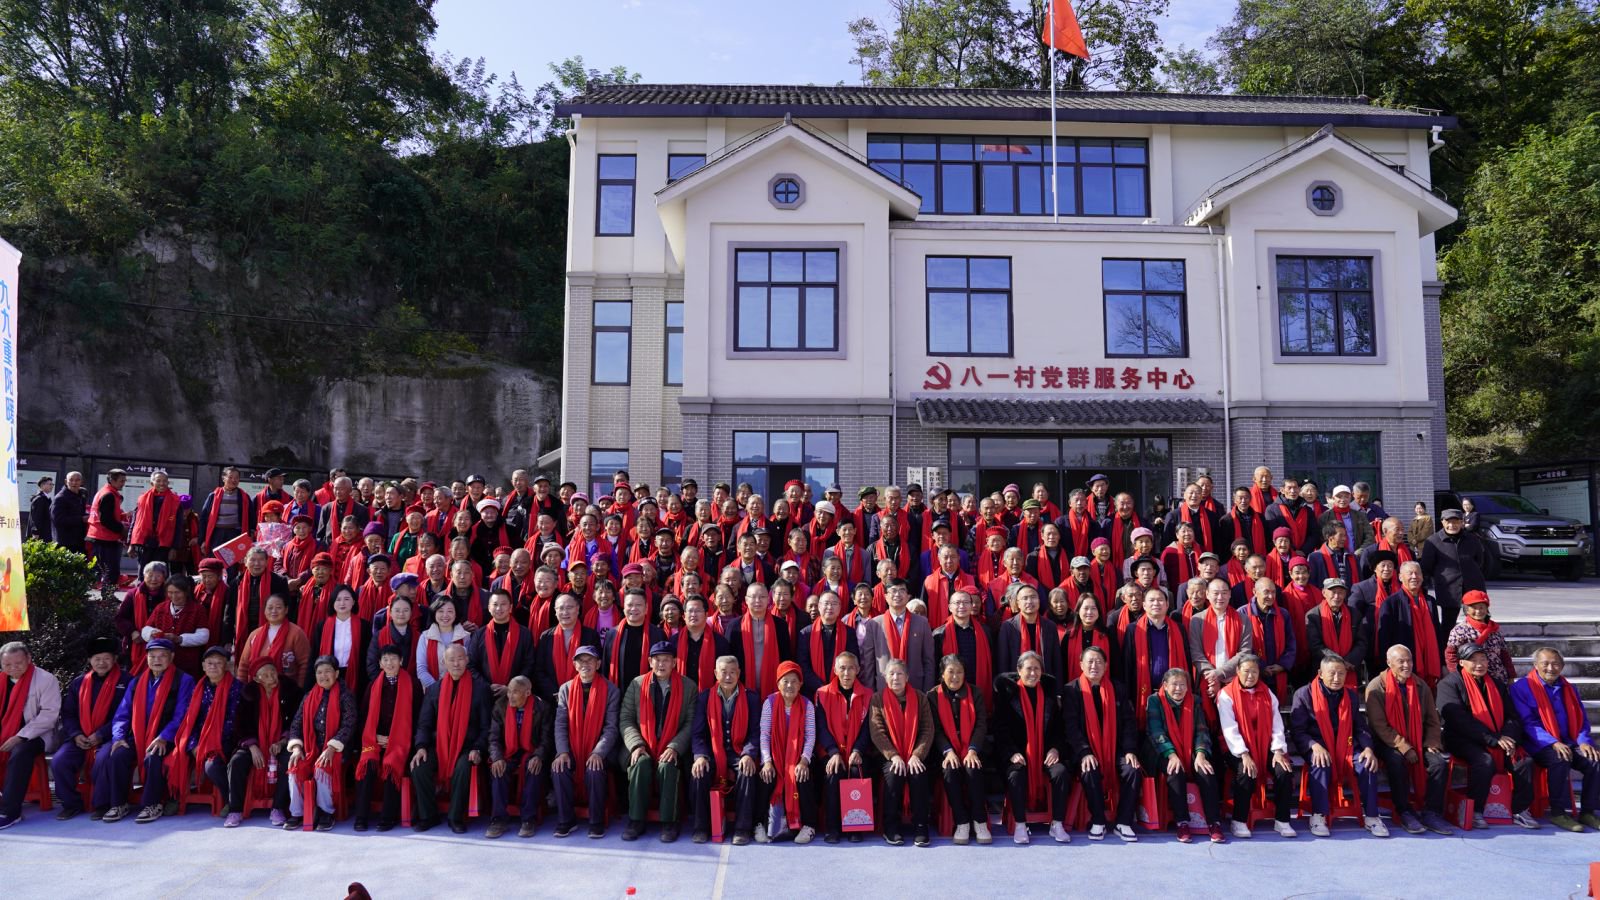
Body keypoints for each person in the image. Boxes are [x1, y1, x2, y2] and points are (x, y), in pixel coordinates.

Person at [1436, 641, 1539, 830]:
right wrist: (1494, 739)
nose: (1479, 664)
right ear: (1461, 663)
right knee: (1484, 761)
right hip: (1462, 738)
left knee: (1523, 761)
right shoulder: (1449, 684)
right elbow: (1459, 721)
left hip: (1499, 737)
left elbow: (1512, 716)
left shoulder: (1496, 684)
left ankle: (1519, 809)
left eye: (1483, 659)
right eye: (1473, 660)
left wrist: (1508, 737)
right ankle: (1476, 810)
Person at [95, 638, 196, 823]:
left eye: (162, 656)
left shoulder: (184, 680)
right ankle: (119, 803)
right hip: (139, 734)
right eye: (152, 656)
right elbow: (122, 714)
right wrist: (118, 737)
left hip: (168, 736)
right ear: (147, 658)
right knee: (118, 754)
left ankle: (152, 804)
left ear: (172, 657)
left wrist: (164, 736)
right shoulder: (137, 681)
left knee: (154, 756)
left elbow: (183, 715)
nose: (157, 660)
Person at [1289, 655, 1387, 838]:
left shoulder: (1350, 695)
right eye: (1332, 673)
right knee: (1320, 762)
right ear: (1320, 673)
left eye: (1341, 673)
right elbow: (1298, 730)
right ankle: (1318, 815)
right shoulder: (1304, 694)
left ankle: (1372, 816)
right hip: (1318, 745)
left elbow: (1360, 727)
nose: (1337, 678)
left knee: (1367, 764)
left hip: (1347, 745)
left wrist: (1368, 748)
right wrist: (1313, 745)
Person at [1364, 645, 1454, 835]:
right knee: (1396, 761)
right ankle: (1404, 811)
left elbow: (1432, 720)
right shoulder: (1376, 687)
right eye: (1401, 661)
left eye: (1409, 660)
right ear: (1389, 663)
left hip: (1418, 739)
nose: (1407, 665)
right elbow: (1380, 726)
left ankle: (1432, 813)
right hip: (1387, 742)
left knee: (1439, 763)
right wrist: (1405, 747)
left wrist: (1431, 743)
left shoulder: (1421, 686)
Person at [1510, 647, 1600, 832]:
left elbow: (1581, 719)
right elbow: (1528, 723)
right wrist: (1552, 742)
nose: (1551, 668)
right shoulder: (1522, 688)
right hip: (1538, 744)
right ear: (1536, 665)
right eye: (1545, 664)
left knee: (1595, 761)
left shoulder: (1569, 688)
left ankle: (1588, 811)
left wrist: (1583, 741)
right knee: (1560, 758)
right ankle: (1558, 812)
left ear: (1563, 666)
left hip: (1570, 741)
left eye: (1556, 664)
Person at [618, 641, 696, 841]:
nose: (661, 664)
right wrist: (636, 745)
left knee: (668, 765)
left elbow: (691, 723)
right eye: (657, 660)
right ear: (650, 661)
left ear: (675, 663)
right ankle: (636, 820)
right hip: (642, 743)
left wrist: (675, 747)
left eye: (666, 660)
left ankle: (670, 822)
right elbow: (626, 719)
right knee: (640, 763)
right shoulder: (637, 684)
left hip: (672, 744)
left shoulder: (688, 686)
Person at [1064, 645, 1141, 841]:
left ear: (1106, 665)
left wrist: (1130, 750)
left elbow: (1129, 722)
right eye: (1090, 661)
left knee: (1133, 769)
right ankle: (1098, 820)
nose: (1094, 666)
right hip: (1084, 749)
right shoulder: (1071, 690)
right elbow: (1071, 727)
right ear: (1081, 664)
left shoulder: (1118, 688)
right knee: (1089, 769)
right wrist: (1084, 752)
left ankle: (1123, 822)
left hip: (1115, 748)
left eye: (1099, 662)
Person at [410, 644, 489, 834]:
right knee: (420, 767)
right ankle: (429, 815)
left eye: (460, 659)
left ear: (467, 660)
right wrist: (421, 747)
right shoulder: (434, 690)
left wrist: (478, 748)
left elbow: (486, 727)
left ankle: (455, 817)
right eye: (451, 660)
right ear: (443, 662)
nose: (456, 664)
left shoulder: (480, 689)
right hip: (438, 745)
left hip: (467, 747)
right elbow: (424, 724)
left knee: (463, 767)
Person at [48, 637, 129, 822]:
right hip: (81, 736)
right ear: (89, 660)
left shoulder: (127, 681)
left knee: (103, 759)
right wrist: (76, 734)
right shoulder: (79, 683)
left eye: (106, 658)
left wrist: (101, 734)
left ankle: (102, 805)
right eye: (97, 659)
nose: (101, 663)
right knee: (60, 761)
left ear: (115, 659)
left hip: (112, 736)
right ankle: (71, 804)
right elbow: (68, 713)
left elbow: (126, 714)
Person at [1216, 655, 1297, 838]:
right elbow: (1229, 728)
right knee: (1245, 772)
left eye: (1254, 671)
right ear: (1238, 671)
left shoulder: (1268, 693)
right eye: (1246, 671)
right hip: (1236, 747)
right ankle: (1239, 820)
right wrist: (1244, 754)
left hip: (1264, 744)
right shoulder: (1226, 695)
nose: (1250, 676)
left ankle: (1282, 820)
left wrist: (1278, 750)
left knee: (1283, 770)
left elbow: (1277, 724)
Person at [994, 651, 1068, 844]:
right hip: (1017, 753)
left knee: (1060, 772)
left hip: (1045, 752)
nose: (1033, 673)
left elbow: (1059, 729)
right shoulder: (1008, 695)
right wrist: (1012, 753)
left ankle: (1057, 823)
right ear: (1019, 671)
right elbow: (1000, 730)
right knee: (1016, 774)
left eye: (1037, 669)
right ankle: (1020, 823)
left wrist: (1055, 749)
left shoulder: (1049, 694)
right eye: (1028, 669)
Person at [1146, 668, 1225, 843]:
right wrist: (1171, 754)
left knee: (1206, 771)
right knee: (1175, 772)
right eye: (1174, 684)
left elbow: (1202, 730)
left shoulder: (1195, 701)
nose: (1178, 689)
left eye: (1182, 685)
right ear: (1165, 685)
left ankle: (1214, 822)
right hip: (1163, 751)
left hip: (1190, 748)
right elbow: (1156, 732)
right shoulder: (1154, 701)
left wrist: (1201, 754)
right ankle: (1182, 823)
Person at [163, 645, 240, 819]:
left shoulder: (236, 688)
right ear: (203, 666)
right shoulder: (197, 688)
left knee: (212, 766)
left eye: (218, 663)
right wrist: (193, 744)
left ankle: (231, 800)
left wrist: (208, 745)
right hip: (198, 741)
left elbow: (233, 723)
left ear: (227, 666)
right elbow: (189, 721)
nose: (213, 666)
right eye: (210, 663)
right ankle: (175, 797)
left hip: (225, 741)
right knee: (171, 758)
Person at [690, 655, 761, 844]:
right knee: (699, 772)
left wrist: (748, 754)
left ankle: (742, 829)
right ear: (715, 673)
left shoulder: (751, 698)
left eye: (732, 672)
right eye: (723, 672)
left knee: (747, 771)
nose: (728, 677)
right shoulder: (705, 697)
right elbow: (698, 733)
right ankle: (701, 827)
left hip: (739, 752)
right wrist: (700, 756)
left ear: (739, 673)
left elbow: (755, 732)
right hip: (713, 752)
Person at [552, 644, 619, 838]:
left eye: (590, 660)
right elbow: (560, 724)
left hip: (599, 748)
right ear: (574, 665)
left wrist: (598, 752)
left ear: (598, 664)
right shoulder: (565, 689)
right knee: (559, 767)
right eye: (580, 661)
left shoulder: (611, 690)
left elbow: (611, 728)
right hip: (572, 747)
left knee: (594, 768)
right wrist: (562, 752)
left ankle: (596, 822)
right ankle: (566, 820)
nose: (585, 664)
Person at [351, 643, 420, 832]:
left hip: (401, 742)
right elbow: (364, 716)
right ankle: (361, 817)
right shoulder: (373, 685)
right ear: (380, 663)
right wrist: (374, 737)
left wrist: (397, 738)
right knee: (367, 765)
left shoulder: (412, 684)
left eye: (394, 659)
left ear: (401, 661)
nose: (390, 663)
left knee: (391, 767)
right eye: (386, 659)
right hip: (374, 740)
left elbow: (417, 717)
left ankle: (388, 817)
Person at [223, 658, 300, 827]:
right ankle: (235, 810)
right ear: (257, 679)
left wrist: (282, 742)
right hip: (254, 743)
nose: (271, 677)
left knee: (289, 760)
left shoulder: (291, 690)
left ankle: (278, 808)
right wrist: (252, 746)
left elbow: (297, 720)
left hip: (283, 742)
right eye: (265, 675)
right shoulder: (248, 694)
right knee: (236, 762)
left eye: (273, 672)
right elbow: (240, 724)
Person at [285, 655, 357, 830]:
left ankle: (326, 812)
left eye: (328, 671)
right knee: (295, 766)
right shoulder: (309, 696)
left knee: (322, 767)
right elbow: (296, 724)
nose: (323, 676)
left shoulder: (345, 696)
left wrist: (332, 747)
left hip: (338, 748)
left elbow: (349, 725)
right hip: (311, 748)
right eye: (319, 672)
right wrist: (296, 747)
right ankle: (297, 812)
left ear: (336, 673)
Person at [866, 657, 930, 846]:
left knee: (918, 773)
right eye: (891, 674)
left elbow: (927, 730)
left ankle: (921, 826)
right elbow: (877, 731)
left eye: (900, 673)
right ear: (885, 678)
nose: (896, 678)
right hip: (887, 755)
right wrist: (893, 755)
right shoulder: (877, 699)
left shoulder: (920, 698)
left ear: (907, 677)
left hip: (914, 754)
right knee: (894, 774)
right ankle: (891, 827)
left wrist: (916, 755)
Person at [813, 651, 874, 844]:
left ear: (858, 670)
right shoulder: (822, 694)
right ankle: (832, 828)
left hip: (858, 750)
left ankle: (855, 826)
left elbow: (868, 729)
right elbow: (821, 727)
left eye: (851, 668)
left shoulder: (868, 695)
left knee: (856, 771)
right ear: (835, 670)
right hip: (831, 750)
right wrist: (833, 752)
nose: (846, 673)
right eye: (842, 668)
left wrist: (857, 750)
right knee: (833, 773)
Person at [928, 654, 989, 845]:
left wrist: (972, 750)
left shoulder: (975, 693)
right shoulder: (932, 696)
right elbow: (935, 729)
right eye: (951, 672)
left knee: (973, 768)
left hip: (972, 748)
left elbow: (981, 725)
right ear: (942, 674)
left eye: (960, 672)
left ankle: (979, 821)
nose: (955, 677)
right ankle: (962, 821)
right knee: (950, 770)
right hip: (945, 751)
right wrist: (948, 751)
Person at [0, 642, 62, 829]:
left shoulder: (45, 679)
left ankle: (10, 812)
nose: (13, 668)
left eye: (18, 663)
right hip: (4, 732)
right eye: (7, 665)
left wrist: (20, 736)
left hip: (36, 735)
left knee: (20, 752)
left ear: (29, 658)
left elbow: (49, 715)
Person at [486, 675, 552, 839]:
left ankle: (528, 819)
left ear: (527, 692)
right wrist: (497, 757)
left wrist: (539, 756)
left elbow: (547, 739)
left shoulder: (542, 708)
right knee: (498, 770)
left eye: (515, 692)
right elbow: (493, 738)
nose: (510, 696)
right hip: (509, 752)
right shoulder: (500, 706)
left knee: (534, 768)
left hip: (532, 751)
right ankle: (498, 819)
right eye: (509, 691)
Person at [759, 659, 817, 844]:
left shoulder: (807, 705)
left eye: (794, 681)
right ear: (778, 683)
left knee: (802, 776)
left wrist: (804, 761)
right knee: (766, 776)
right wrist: (767, 761)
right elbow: (764, 735)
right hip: (775, 757)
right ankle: (759, 824)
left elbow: (810, 736)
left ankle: (808, 825)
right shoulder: (769, 703)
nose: (790, 685)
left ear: (800, 684)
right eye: (785, 681)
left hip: (798, 757)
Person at [1420, 509, 1489, 650]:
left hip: (1473, 587)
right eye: (1448, 522)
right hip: (1449, 590)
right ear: (1442, 522)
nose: (1452, 525)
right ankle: (1446, 655)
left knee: (1480, 621)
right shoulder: (1433, 541)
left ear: (1462, 522)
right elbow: (1426, 567)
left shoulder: (1472, 539)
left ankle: (1480, 652)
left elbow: (1480, 561)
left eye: (1456, 522)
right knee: (1448, 624)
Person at [1121, 587, 1187, 727]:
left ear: (1167, 605)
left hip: (1174, 691)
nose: (1156, 603)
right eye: (1151, 600)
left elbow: (1186, 659)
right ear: (1144, 605)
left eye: (1160, 600)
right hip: (1144, 691)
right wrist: (1128, 695)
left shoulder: (1179, 629)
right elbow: (1127, 665)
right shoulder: (1133, 629)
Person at [1376, 562, 1443, 690]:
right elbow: (1384, 639)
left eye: (1417, 573)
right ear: (1400, 577)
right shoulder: (1391, 603)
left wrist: (1442, 663)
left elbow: (1437, 634)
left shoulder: (1430, 601)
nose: (1414, 577)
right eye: (1410, 573)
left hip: (1429, 659)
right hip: (1405, 665)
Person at [467, 588, 536, 696]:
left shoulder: (524, 634)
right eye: (495, 604)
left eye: (503, 604)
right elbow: (471, 665)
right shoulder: (479, 634)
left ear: (510, 607)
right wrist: (487, 686)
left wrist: (511, 686)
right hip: (485, 693)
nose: (499, 608)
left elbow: (529, 664)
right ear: (489, 608)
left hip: (516, 693)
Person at [534, 595, 600, 705]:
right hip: (552, 699)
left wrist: (577, 691)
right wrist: (556, 694)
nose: (565, 612)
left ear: (577, 609)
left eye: (569, 607)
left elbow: (595, 666)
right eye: (560, 608)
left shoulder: (590, 635)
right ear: (555, 611)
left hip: (583, 696)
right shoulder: (546, 637)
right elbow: (539, 669)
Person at [237, 593, 311, 688]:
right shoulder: (255, 635)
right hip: (257, 689)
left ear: (286, 610)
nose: (274, 611)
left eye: (278, 607)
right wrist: (241, 688)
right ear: (264, 611)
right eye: (270, 608)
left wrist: (299, 689)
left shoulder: (296, 633)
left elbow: (305, 664)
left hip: (287, 690)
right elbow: (244, 664)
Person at [1444, 590, 1515, 683]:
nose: (1478, 611)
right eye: (1474, 608)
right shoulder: (1460, 630)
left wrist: (1511, 676)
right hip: (1472, 678)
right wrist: (1457, 676)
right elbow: (1451, 655)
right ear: (1466, 610)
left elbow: (1505, 654)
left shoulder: (1495, 629)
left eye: (1481, 607)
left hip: (1497, 678)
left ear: (1487, 609)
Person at [798, 590, 857, 697]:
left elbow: (853, 661)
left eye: (834, 604)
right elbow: (803, 665)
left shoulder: (849, 633)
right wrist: (821, 686)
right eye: (826, 603)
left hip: (841, 691)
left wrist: (835, 685)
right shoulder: (806, 633)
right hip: (813, 691)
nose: (830, 607)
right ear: (819, 606)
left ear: (840, 608)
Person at [1305, 578, 1368, 676]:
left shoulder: (1355, 614)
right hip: (1325, 667)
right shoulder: (1314, 615)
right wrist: (1338, 662)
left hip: (1350, 667)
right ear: (1324, 593)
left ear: (1345, 594)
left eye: (1340, 592)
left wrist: (1349, 661)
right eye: (1333, 592)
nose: (1337, 596)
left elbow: (1361, 642)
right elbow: (1316, 646)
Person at [87, 469, 129, 587]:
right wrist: (122, 529)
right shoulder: (109, 495)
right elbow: (106, 520)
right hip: (105, 538)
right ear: (112, 480)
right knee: (111, 571)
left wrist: (122, 517)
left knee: (104, 570)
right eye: (121, 481)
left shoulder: (105, 492)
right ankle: (107, 596)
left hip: (99, 536)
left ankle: (106, 595)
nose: (123, 484)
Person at [130, 470, 181, 566]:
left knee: (160, 571)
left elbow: (178, 526)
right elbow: (135, 521)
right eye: (158, 481)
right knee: (143, 572)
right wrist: (131, 544)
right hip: (145, 543)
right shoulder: (142, 499)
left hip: (164, 544)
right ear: (152, 483)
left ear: (168, 482)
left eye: (164, 481)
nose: (162, 483)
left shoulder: (175, 501)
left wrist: (174, 548)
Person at [1319, 485, 1375, 552]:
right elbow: (1322, 538)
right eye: (1339, 497)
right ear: (1333, 498)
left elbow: (1370, 536)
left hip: (1358, 555)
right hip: (1334, 555)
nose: (1343, 500)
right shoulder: (1325, 517)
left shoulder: (1360, 515)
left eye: (1346, 497)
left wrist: (1360, 551)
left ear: (1350, 498)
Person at [26, 476, 53, 543]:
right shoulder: (40, 499)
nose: (52, 486)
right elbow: (36, 517)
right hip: (39, 535)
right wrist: (35, 532)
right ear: (42, 485)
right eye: (49, 484)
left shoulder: (46, 498)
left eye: (52, 484)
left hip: (45, 532)